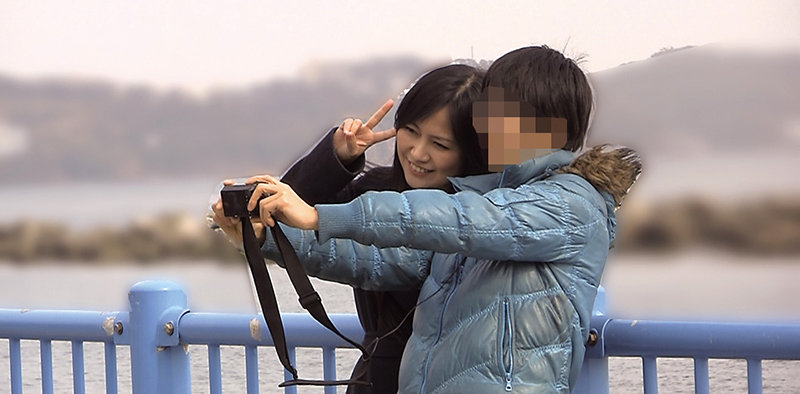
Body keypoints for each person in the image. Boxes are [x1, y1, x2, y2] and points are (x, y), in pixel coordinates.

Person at [219, 45, 641, 392]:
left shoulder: (568, 204)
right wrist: (262, 239)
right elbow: (377, 259)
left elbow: (459, 220)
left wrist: (316, 216)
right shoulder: (486, 201)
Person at [213, 63, 486, 393]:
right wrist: (338, 158)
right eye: (411, 131)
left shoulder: (483, 220)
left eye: (440, 145)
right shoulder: (375, 190)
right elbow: (290, 211)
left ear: (471, 151)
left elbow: (362, 256)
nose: (417, 152)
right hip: (375, 379)